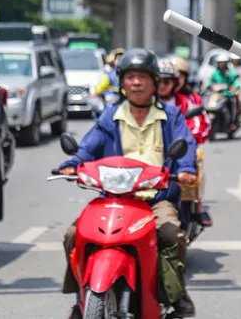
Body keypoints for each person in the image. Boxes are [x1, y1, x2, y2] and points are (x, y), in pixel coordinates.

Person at [57, 48, 198, 319]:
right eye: (130, 77)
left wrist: (186, 169)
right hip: (113, 199)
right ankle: (80, 298)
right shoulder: (110, 117)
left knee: (171, 235)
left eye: (142, 77)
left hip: (155, 199)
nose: (136, 83)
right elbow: (88, 146)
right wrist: (73, 163)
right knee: (73, 236)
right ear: (121, 82)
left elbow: (187, 145)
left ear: (155, 82)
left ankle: (175, 293)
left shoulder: (171, 117)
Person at [160, 57, 213, 227]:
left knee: (195, 159)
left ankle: (197, 204)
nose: (162, 85)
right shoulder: (147, 101)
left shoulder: (188, 100)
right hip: (154, 151)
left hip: (181, 149)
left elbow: (198, 126)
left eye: (168, 80)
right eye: (158, 80)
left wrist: (186, 143)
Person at [207, 53, 241, 128]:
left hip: (228, 94)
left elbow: (236, 82)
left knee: (234, 100)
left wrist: (234, 87)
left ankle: (233, 120)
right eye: (220, 63)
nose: (222, 64)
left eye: (223, 63)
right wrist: (208, 86)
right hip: (218, 95)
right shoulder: (215, 73)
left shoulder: (231, 72)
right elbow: (209, 82)